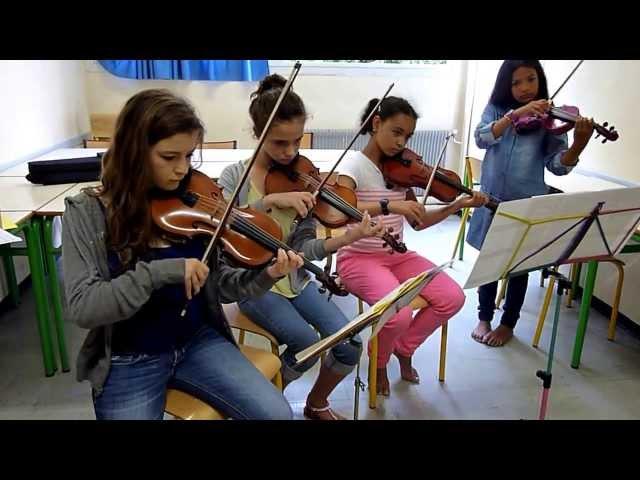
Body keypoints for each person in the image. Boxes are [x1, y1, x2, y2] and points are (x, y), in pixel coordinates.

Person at [62, 88, 299, 420]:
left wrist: (266, 275)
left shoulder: (193, 197)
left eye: (188, 156)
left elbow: (222, 286)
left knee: (277, 414)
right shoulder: (89, 211)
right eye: (169, 157)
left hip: (198, 342)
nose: (181, 170)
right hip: (130, 357)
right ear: (133, 152)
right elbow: (84, 307)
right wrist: (160, 272)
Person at [219, 74, 385, 420]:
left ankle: (316, 402)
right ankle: (257, 403)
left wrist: (346, 238)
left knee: (351, 344)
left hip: (294, 280)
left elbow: (305, 248)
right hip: (255, 282)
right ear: (257, 133)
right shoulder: (235, 176)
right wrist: (271, 201)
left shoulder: (302, 175)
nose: (291, 152)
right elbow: (223, 223)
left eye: (297, 141)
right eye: (280, 143)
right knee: (305, 342)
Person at [336, 96, 488, 396]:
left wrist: (456, 204)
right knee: (398, 314)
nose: (401, 142)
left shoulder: (400, 170)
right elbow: (341, 209)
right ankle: (378, 362)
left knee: (452, 297)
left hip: (397, 256)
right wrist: (391, 207)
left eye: (407, 136)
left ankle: (404, 348)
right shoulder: (354, 164)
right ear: (376, 123)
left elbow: (419, 222)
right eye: (396, 131)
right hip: (359, 258)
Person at [467, 60, 594, 347]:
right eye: (516, 82)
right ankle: (484, 316)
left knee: (518, 268)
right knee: (489, 264)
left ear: (540, 81)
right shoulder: (497, 110)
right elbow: (481, 138)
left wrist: (578, 145)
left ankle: (508, 323)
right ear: (505, 85)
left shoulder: (550, 121)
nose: (524, 88)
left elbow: (557, 167)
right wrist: (515, 115)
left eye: (530, 80)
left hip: (525, 205)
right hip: (491, 202)